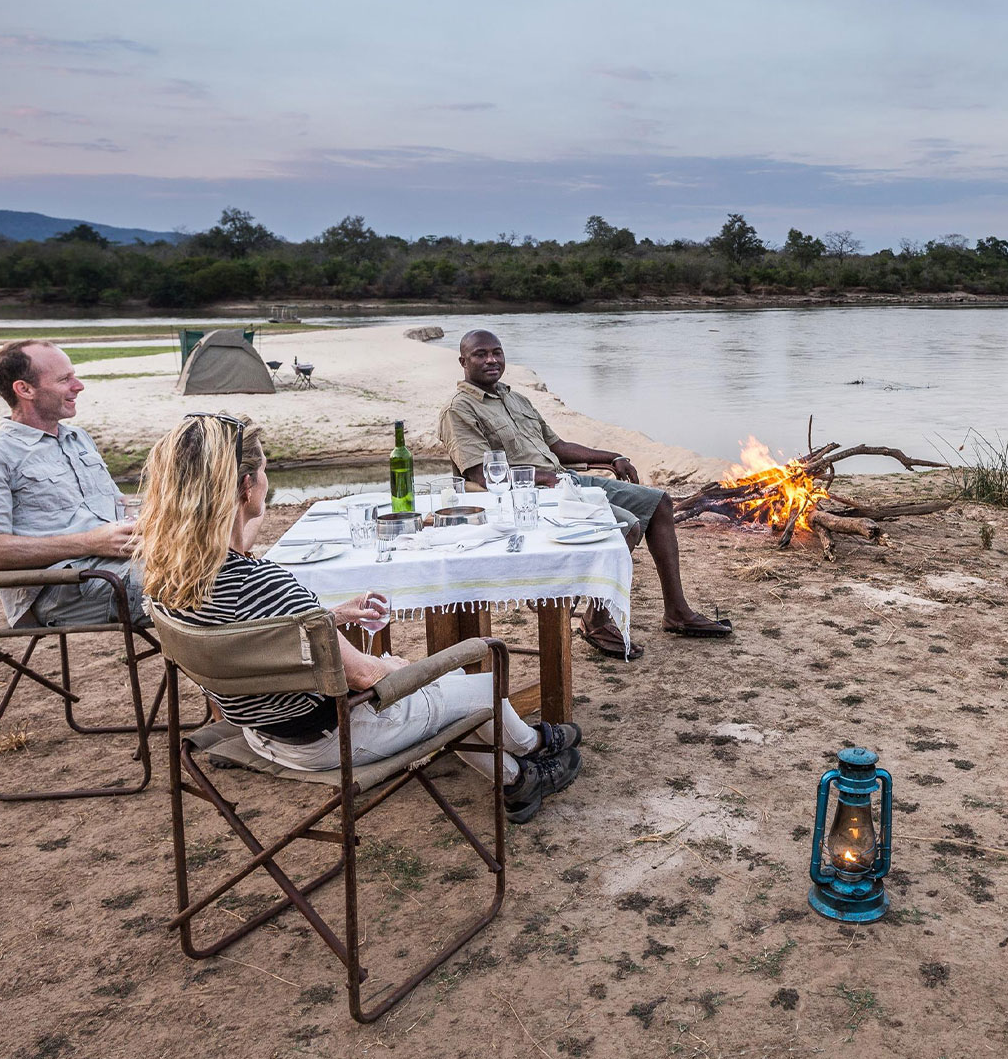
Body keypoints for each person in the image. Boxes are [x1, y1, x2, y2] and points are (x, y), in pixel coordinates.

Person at [136, 413, 580, 822]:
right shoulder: (266, 584)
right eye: (265, 472)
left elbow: (259, 634)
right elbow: (368, 677)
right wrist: (397, 667)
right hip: (334, 738)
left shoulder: (170, 581)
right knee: (478, 683)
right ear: (246, 487)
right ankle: (536, 748)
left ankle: (520, 779)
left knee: (449, 692)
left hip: (262, 730)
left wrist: (328, 616)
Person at [437, 328, 732, 661]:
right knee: (626, 526)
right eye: (481, 354)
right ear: (463, 361)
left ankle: (677, 612)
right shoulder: (459, 410)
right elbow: (479, 473)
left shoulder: (514, 398)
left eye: (497, 352)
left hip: (564, 481)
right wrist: (547, 478)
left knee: (659, 501)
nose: (491, 359)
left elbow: (557, 447)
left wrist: (611, 457)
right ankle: (596, 618)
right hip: (528, 498)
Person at [0, 339, 143, 628]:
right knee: (203, 584)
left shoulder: (78, 439)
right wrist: (90, 542)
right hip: (62, 588)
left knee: (225, 562)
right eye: (65, 379)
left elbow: (118, 507)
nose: (78, 386)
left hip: (119, 568)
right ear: (24, 389)